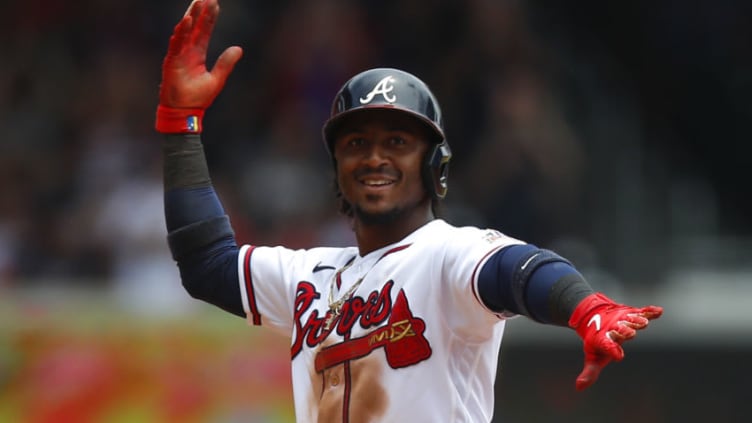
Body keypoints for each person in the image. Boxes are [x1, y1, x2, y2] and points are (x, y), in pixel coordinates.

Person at [155, 1, 664, 421]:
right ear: (337, 169)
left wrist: (584, 307)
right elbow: (207, 264)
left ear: (434, 166)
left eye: (397, 141)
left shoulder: (448, 254)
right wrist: (181, 125)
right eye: (356, 142)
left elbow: (520, 270)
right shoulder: (309, 277)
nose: (374, 157)